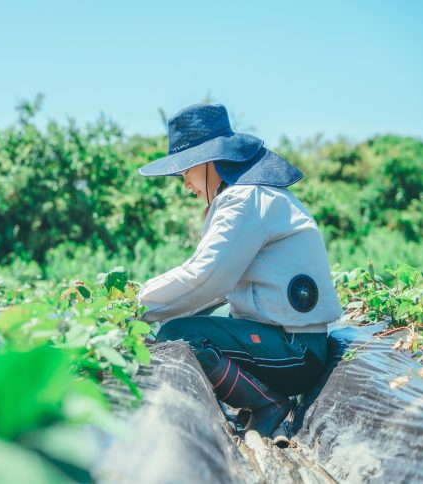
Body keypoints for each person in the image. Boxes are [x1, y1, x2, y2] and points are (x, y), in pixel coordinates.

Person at [136, 103, 342, 446]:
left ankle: (268, 403)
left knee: (179, 333)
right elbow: (213, 288)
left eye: (184, 171)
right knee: (192, 318)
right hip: (298, 345)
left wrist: (136, 305)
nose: (185, 183)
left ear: (207, 161)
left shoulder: (244, 199)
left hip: (296, 351)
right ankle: (258, 396)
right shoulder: (252, 195)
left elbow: (205, 277)